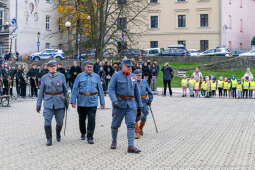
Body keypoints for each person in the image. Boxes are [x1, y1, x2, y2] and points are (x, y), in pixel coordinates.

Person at [108, 58, 143, 153]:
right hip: (119, 104)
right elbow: (110, 89)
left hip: (131, 104)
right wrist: (114, 101)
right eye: (128, 67)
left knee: (131, 124)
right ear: (123, 66)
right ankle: (114, 141)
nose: (130, 68)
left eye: (131, 67)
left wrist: (140, 105)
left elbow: (136, 92)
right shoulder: (116, 76)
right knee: (115, 124)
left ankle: (131, 146)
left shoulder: (133, 77)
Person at [70, 60, 105, 144]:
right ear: (84, 67)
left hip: (93, 101)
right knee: (82, 119)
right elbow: (75, 88)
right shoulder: (79, 76)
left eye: (91, 67)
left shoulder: (96, 76)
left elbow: (100, 90)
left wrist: (102, 102)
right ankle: (83, 132)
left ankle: (90, 136)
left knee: (92, 119)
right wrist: (73, 101)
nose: (89, 68)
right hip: (82, 101)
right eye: (88, 67)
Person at [36, 60, 68, 146]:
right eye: (51, 66)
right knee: (47, 122)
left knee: (60, 122)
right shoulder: (44, 77)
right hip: (48, 102)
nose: (53, 67)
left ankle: (58, 133)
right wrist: (38, 104)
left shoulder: (62, 76)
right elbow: (41, 92)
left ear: (57, 67)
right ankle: (49, 139)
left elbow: (65, 90)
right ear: (48, 67)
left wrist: (67, 100)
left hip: (60, 102)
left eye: (54, 66)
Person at [133, 69, 153, 139]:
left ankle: (140, 128)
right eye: (137, 75)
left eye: (140, 75)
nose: (139, 76)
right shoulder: (132, 81)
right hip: (135, 102)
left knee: (144, 117)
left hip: (144, 101)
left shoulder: (144, 82)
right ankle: (137, 132)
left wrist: (150, 100)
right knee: (136, 117)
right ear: (134, 75)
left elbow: (150, 92)